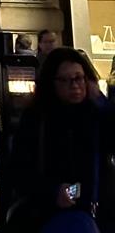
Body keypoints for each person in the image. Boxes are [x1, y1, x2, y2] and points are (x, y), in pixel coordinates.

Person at [7, 46, 115, 231]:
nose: (75, 85)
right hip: (50, 215)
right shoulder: (37, 119)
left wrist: (100, 100)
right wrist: (53, 192)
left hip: (99, 213)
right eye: (65, 80)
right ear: (52, 83)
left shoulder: (96, 114)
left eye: (78, 78)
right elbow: (20, 171)